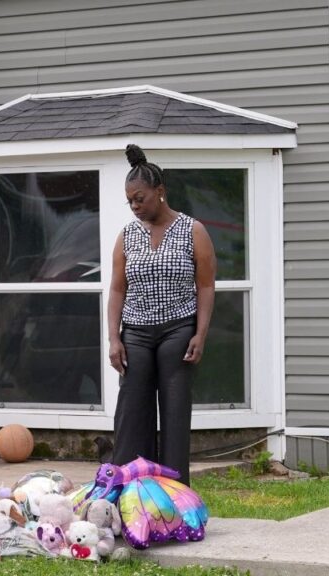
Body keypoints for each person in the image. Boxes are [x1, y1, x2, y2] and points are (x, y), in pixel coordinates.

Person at [107, 144, 216, 486]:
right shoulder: (126, 236)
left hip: (177, 331)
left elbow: (206, 286)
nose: (135, 206)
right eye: (130, 201)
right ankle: (129, 491)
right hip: (136, 333)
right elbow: (117, 289)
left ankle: (175, 498)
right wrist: (114, 337)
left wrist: (200, 333)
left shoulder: (192, 230)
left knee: (174, 415)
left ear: (160, 192)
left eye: (140, 198)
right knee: (132, 414)